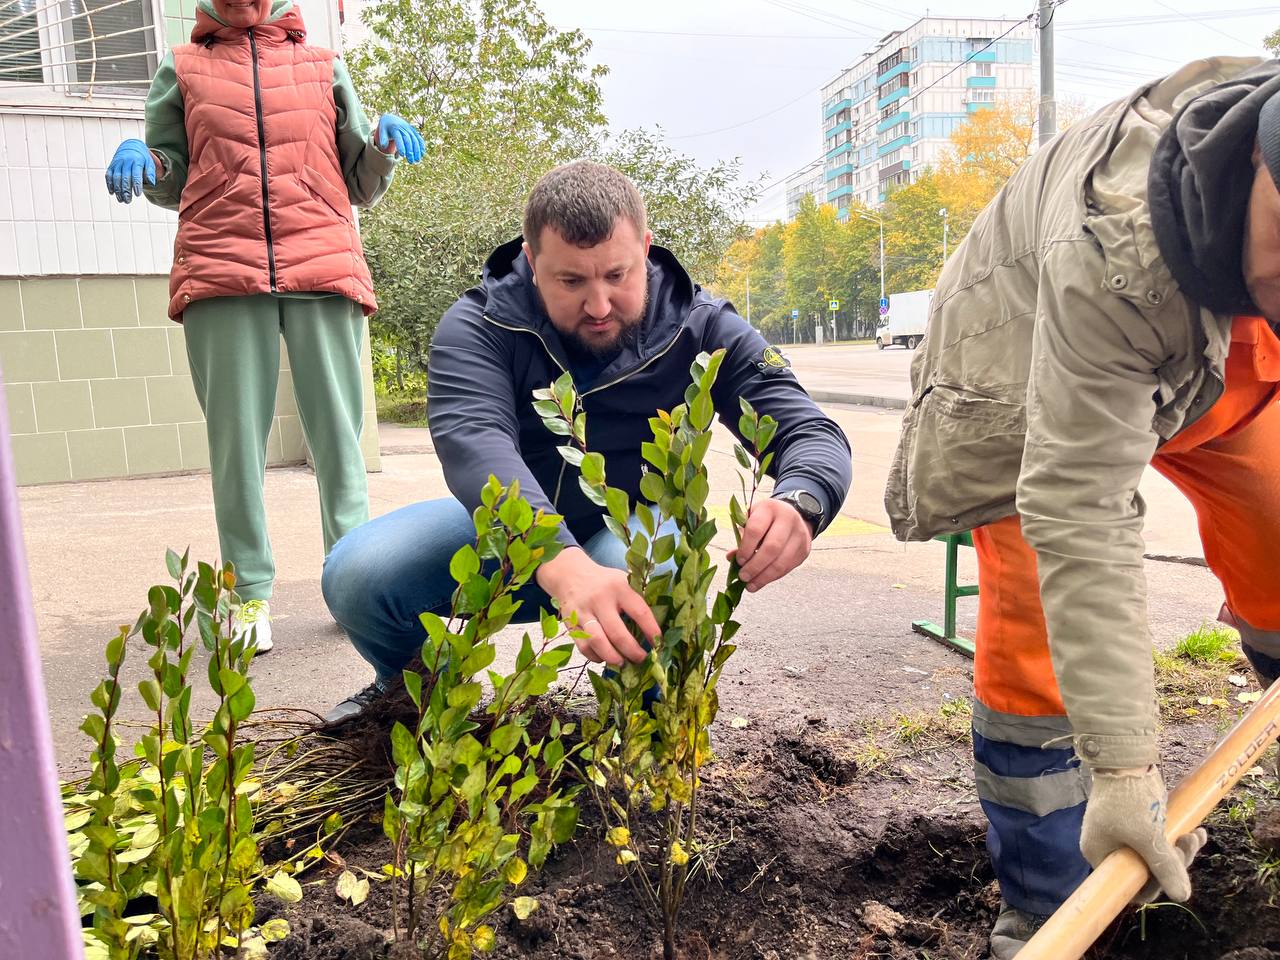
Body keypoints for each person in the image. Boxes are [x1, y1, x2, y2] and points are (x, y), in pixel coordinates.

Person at [885, 57, 1280, 957]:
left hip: (1222, 354)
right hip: (1030, 362)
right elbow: (1081, 506)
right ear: (1261, 162)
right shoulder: (1118, 245)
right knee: (1037, 644)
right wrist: (1126, 767)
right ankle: (1047, 902)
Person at [322, 160, 852, 721]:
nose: (598, 305)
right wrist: (560, 559)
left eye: (618, 275)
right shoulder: (479, 326)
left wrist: (803, 499)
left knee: (660, 571)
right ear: (531, 262)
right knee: (359, 572)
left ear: (645, 249)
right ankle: (409, 699)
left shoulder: (702, 327)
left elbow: (808, 429)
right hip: (512, 533)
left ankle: (649, 732)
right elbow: (475, 440)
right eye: (571, 281)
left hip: (626, 543)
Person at [105, 0, 423, 653]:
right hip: (221, 268)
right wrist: (148, 156)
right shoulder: (183, 67)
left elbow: (359, 182)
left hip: (323, 262)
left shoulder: (323, 65)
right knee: (236, 449)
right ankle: (249, 596)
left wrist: (381, 146)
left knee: (339, 441)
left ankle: (353, 583)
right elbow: (172, 178)